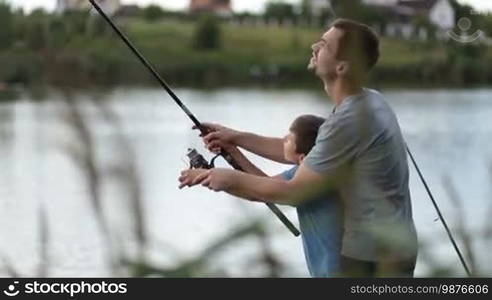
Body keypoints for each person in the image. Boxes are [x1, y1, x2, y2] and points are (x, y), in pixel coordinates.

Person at [179, 18, 418, 277]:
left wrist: (223, 178)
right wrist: (235, 138)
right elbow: (304, 152)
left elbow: (293, 192)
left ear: (342, 66)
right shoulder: (370, 101)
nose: (315, 46)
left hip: (370, 260)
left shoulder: (349, 120)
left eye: (324, 45)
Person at [197, 114, 343, 277]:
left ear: (303, 158)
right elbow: (264, 186)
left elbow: (262, 192)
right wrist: (232, 149)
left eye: (288, 139)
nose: (284, 139)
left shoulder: (315, 178)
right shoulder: (310, 171)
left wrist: (220, 178)